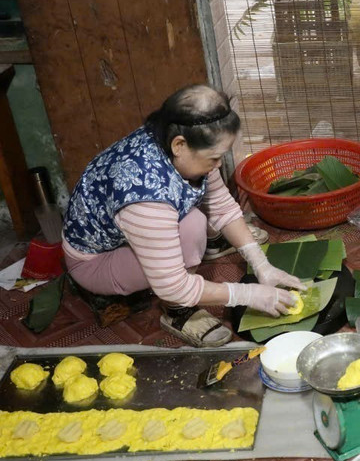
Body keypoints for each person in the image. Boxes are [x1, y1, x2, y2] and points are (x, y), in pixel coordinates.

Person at [62, 85, 304, 347]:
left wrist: (261, 265)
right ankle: (178, 312)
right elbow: (173, 286)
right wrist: (247, 294)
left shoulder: (179, 137)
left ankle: (199, 248)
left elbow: (222, 206)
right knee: (191, 231)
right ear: (180, 146)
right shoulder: (145, 198)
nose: (219, 165)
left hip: (132, 233)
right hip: (96, 263)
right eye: (214, 158)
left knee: (195, 222)